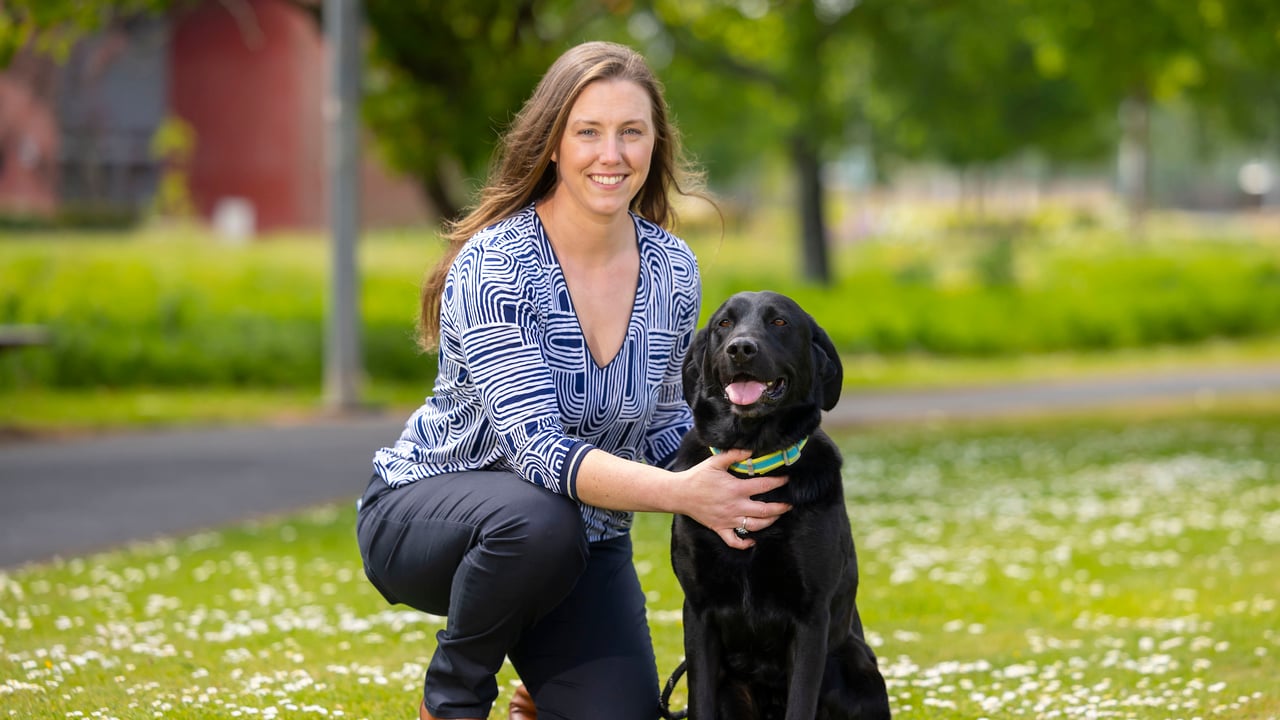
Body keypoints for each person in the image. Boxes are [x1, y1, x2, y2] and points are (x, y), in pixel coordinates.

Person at [356, 41, 791, 720]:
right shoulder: (498, 264)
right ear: (553, 144)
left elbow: (668, 426)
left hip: (584, 541)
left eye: (631, 132)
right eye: (588, 131)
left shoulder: (674, 270)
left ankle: (547, 686)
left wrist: (744, 473)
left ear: (656, 145)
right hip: (427, 520)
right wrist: (683, 495)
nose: (610, 154)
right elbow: (540, 453)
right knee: (538, 521)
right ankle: (452, 699)